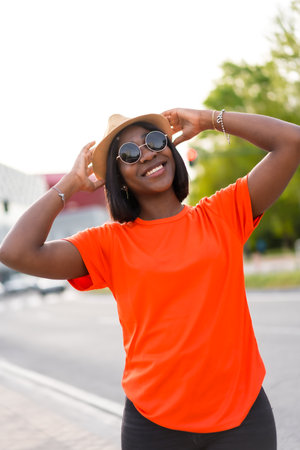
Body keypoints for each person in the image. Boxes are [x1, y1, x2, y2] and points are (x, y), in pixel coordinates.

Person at [0, 108, 299, 450]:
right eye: (129, 154)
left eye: (155, 141)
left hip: (242, 421)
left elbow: (291, 142)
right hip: (154, 427)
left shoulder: (222, 214)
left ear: (170, 150)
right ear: (119, 177)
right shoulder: (108, 243)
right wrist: (72, 183)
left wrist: (208, 119)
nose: (148, 154)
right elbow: (15, 252)